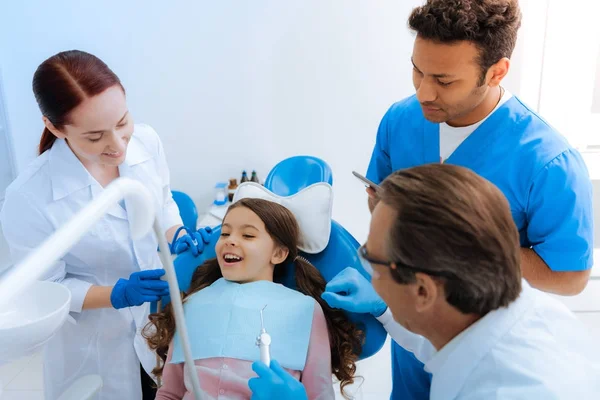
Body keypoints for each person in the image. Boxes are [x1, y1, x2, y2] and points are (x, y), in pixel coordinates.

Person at [325, 0, 595, 398]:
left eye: (444, 80)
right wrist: (385, 302)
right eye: (417, 70)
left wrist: (459, 247)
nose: (423, 91)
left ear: (497, 71)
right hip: (416, 330)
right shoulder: (400, 121)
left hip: (484, 337)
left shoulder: (548, 161)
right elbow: (385, 208)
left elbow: (570, 277)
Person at [252, 164, 600, 399]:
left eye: (370, 258)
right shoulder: (511, 307)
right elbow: (444, 344)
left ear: (422, 290)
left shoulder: (508, 389)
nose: (362, 267)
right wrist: (385, 306)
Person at [0, 50, 210, 400]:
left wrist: (178, 234)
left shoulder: (146, 141)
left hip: (156, 325)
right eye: (95, 137)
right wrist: (115, 295)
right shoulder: (28, 197)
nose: (117, 146)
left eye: (122, 122)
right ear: (54, 127)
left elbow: (162, 200)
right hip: (94, 344)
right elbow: (46, 289)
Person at [143, 198, 363, 399]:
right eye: (225, 233)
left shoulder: (304, 310)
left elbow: (320, 393)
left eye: (247, 235)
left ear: (278, 253)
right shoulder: (192, 305)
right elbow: (170, 393)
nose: (230, 241)